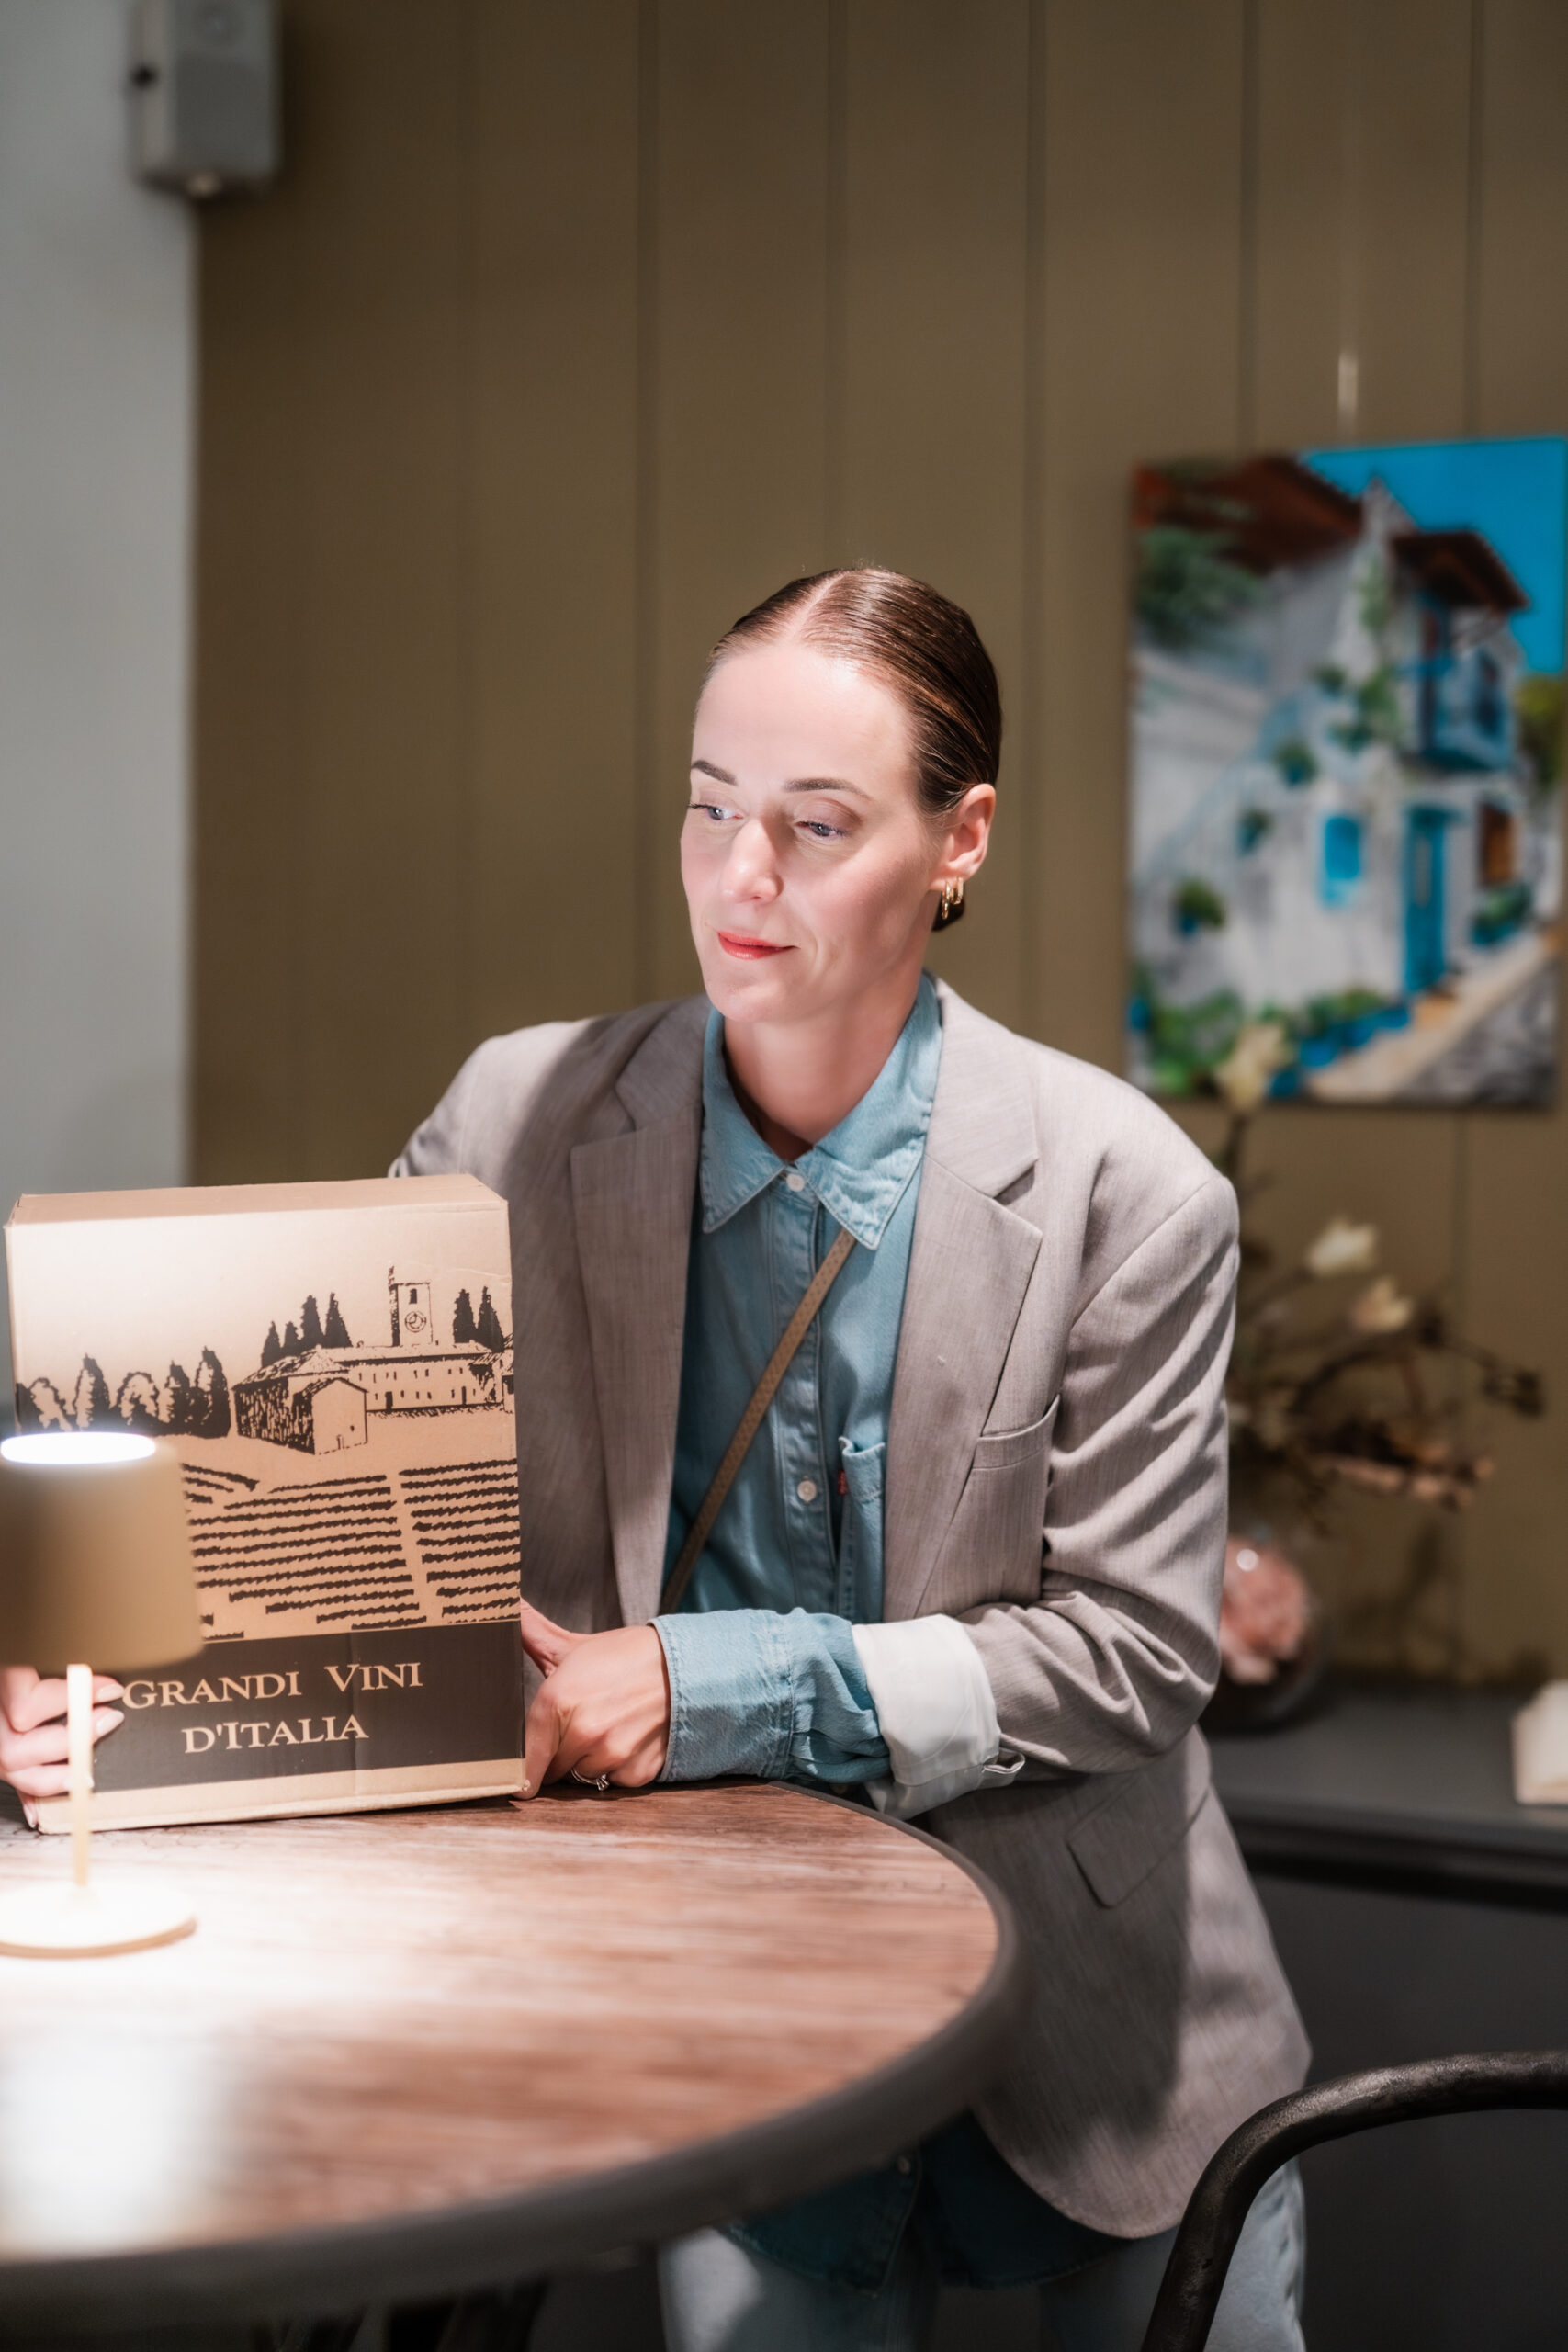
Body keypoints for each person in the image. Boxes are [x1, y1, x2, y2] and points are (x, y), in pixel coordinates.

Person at [0, 568, 1308, 2351]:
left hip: (1102, 2046)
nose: (737, 876)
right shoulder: (517, 1118)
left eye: (815, 824)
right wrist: (100, 1678)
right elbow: (297, 1503)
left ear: (961, 839)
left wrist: (706, 1679)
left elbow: (1132, 1653)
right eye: (708, 806)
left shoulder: (1124, 1191)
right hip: (726, 2016)